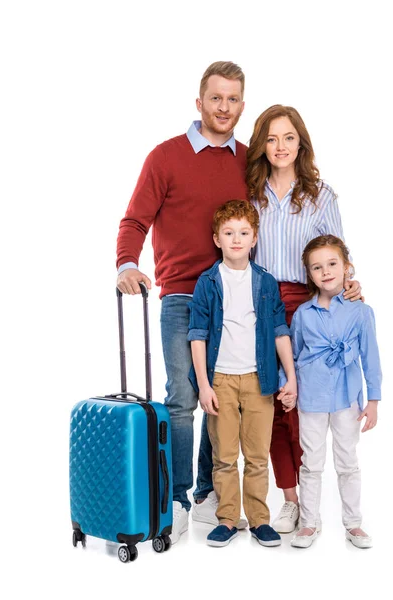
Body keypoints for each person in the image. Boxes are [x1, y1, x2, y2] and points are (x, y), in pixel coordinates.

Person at [195, 104, 362, 533]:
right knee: (269, 402)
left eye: (288, 138)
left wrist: (350, 286)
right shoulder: (251, 194)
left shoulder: (321, 195)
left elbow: (337, 254)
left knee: (302, 401)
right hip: (261, 304)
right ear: (261, 146)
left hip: (308, 306)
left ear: (300, 142)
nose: (280, 146)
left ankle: (309, 501)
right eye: (271, 139)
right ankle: (288, 499)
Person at [116, 61, 248, 543]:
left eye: (234, 99)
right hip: (181, 296)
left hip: (233, 298)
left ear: (241, 104)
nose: (224, 108)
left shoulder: (247, 160)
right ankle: (177, 495)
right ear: (199, 102)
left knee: (224, 398)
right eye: (216, 98)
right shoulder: (166, 156)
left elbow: (270, 226)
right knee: (182, 399)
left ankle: (210, 493)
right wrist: (126, 264)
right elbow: (134, 221)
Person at [188, 200, 297, 547]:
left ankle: (260, 520)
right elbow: (198, 335)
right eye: (229, 233)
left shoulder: (265, 282)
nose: (236, 239)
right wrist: (204, 385)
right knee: (223, 456)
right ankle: (227, 519)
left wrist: (290, 377)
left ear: (254, 239)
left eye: (244, 233)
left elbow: (280, 330)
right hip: (220, 379)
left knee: (256, 455)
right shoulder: (208, 282)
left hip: (258, 379)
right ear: (217, 239)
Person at [288, 235, 381, 548]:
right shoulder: (302, 315)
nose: (325, 271)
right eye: (317, 267)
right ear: (310, 275)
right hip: (311, 399)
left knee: (347, 461)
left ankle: (354, 524)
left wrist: (374, 401)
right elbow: (294, 357)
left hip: (346, 398)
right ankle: (309, 523)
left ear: (346, 268)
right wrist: (286, 386)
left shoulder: (360, 312)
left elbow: (371, 358)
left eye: (332, 264)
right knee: (311, 463)